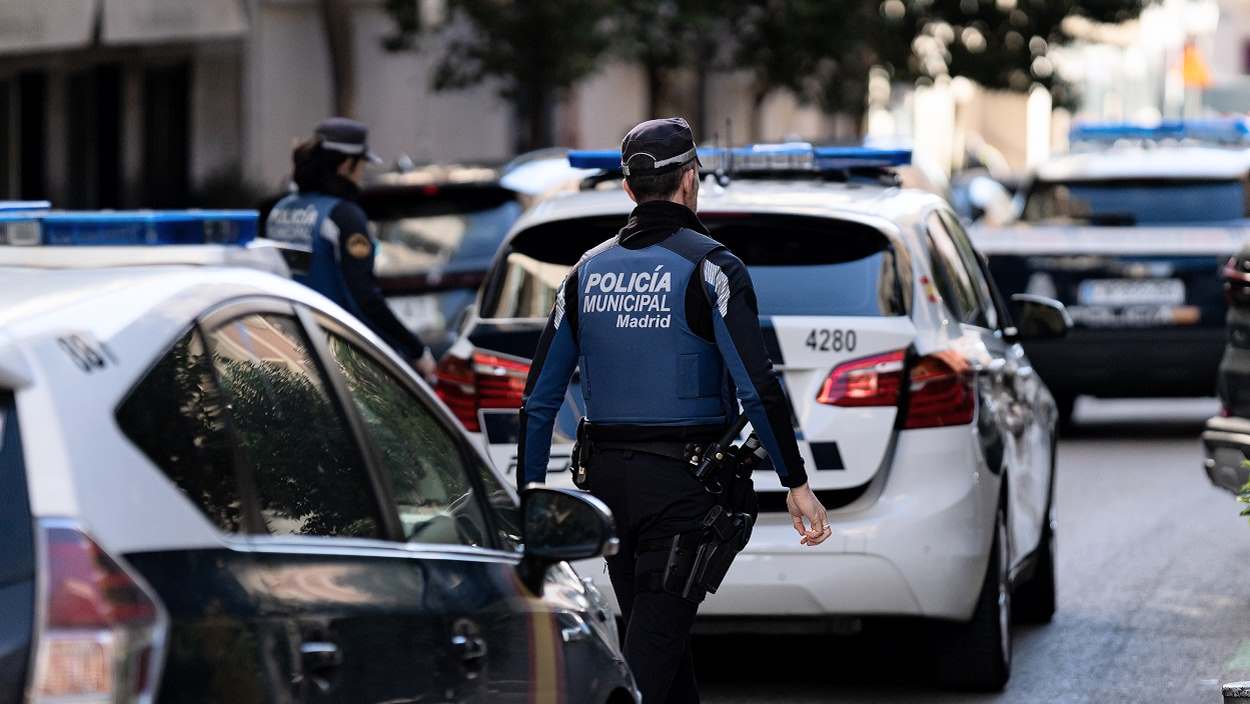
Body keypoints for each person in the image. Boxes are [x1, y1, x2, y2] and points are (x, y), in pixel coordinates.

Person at [517, 117, 831, 703]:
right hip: (683, 494)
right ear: (689, 181)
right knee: (646, 665)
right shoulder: (714, 267)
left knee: (660, 646)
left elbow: (538, 401)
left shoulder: (584, 272)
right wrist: (796, 482)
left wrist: (533, 501)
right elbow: (756, 386)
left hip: (608, 490)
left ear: (631, 189)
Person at [265, 117, 435, 378]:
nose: (362, 172)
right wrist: (414, 350)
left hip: (285, 349)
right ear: (346, 165)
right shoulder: (344, 216)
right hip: (337, 358)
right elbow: (364, 297)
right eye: (362, 164)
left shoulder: (280, 210)